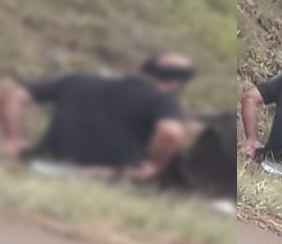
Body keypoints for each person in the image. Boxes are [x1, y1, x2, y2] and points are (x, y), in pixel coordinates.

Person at [0, 53, 193, 180]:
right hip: (100, 177)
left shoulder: (76, 81)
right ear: (176, 83)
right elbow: (170, 133)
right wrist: (154, 164)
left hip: (42, 165)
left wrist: (14, 140)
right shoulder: (162, 100)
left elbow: (14, 95)